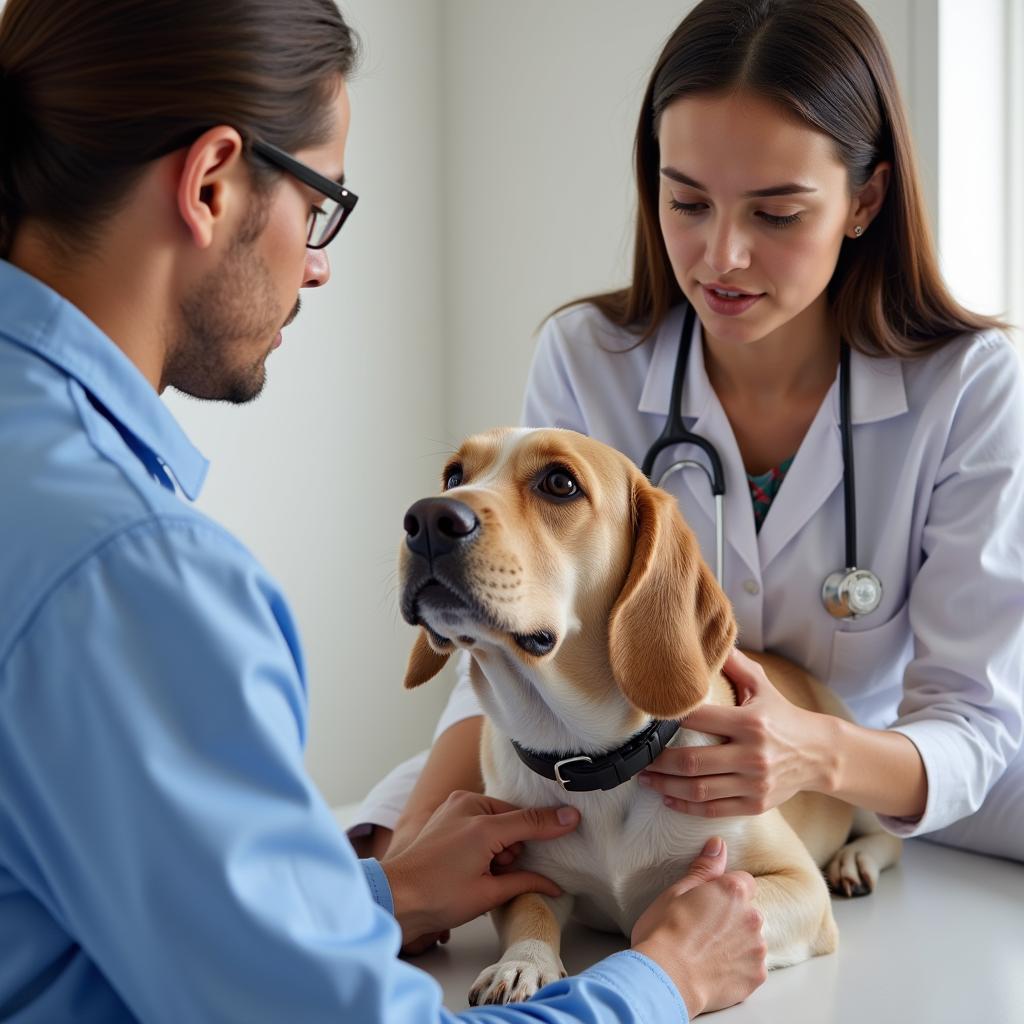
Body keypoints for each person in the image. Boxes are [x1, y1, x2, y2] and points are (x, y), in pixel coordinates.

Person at [0, 0, 768, 1021]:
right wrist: (659, 981)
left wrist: (374, 897)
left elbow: (66, 913)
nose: (317, 261)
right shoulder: (131, 572)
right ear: (213, 181)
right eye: (319, 206)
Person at [352, 0, 1024, 877]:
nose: (721, 258)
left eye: (776, 214)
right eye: (688, 202)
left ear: (865, 199)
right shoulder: (588, 358)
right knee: (374, 845)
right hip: (615, 775)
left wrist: (810, 755)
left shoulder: (966, 384)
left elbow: (972, 720)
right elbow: (512, 642)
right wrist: (395, 884)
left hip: (877, 770)